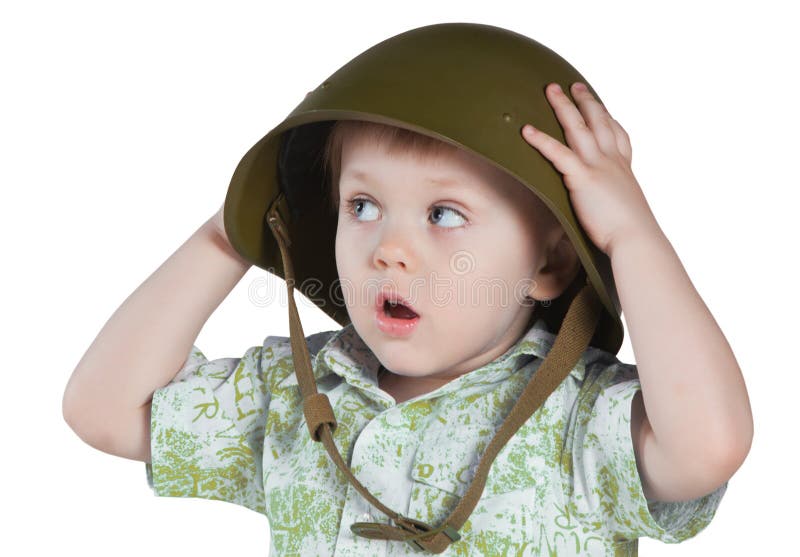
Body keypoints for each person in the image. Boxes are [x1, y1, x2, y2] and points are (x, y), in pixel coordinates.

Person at [62, 23, 752, 556]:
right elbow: (105, 409)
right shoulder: (294, 394)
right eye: (361, 205)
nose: (388, 248)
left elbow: (708, 446)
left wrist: (632, 236)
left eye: (443, 214)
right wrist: (230, 232)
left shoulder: (583, 418)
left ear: (551, 266)